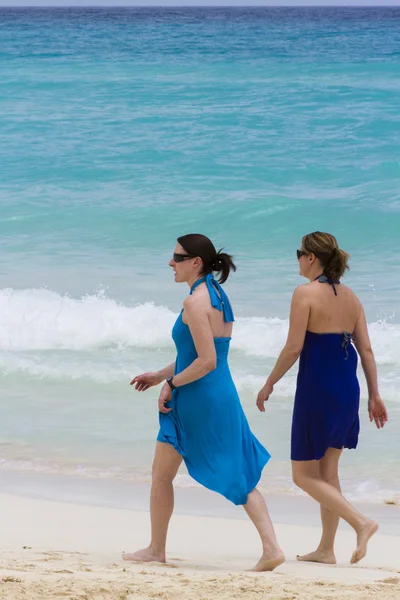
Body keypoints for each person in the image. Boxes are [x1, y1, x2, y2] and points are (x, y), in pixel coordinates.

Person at [123, 233, 284, 571]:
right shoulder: (217, 295)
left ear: (195, 262)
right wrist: (159, 375)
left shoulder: (195, 302)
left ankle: (269, 549)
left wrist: (171, 383)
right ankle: (159, 548)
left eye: (177, 258)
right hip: (216, 393)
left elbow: (206, 360)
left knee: (197, 474)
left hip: (198, 397)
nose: (171, 263)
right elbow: (197, 355)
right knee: (182, 472)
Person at [256, 231, 388, 566]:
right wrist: (374, 394)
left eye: (298, 253)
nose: (297, 259)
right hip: (347, 389)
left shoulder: (305, 294)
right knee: (328, 471)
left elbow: (294, 348)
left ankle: (361, 522)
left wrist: (269, 383)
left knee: (302, 475)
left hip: (317, 391)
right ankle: (327, 549)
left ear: (311, 257)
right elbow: (368, 350)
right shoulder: (351, 297)